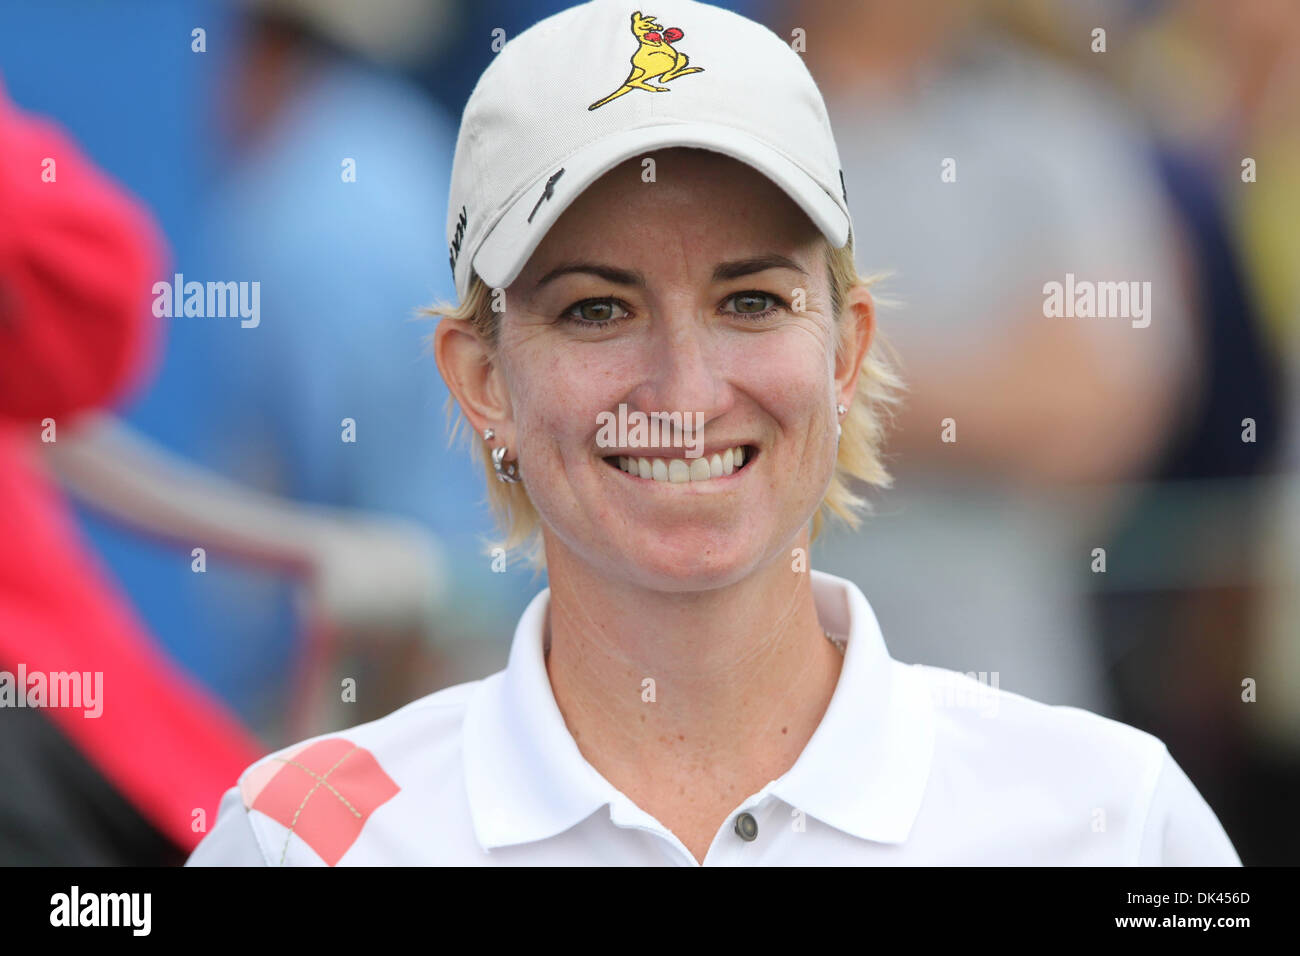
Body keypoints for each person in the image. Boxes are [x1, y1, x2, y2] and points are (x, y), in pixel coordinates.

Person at [187, 0, 1240, 866]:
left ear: (845, 350)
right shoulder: (304, 838)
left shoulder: (1111, 817)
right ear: (480, 378)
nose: (684, 386)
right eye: (597, 307)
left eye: (750, 302)